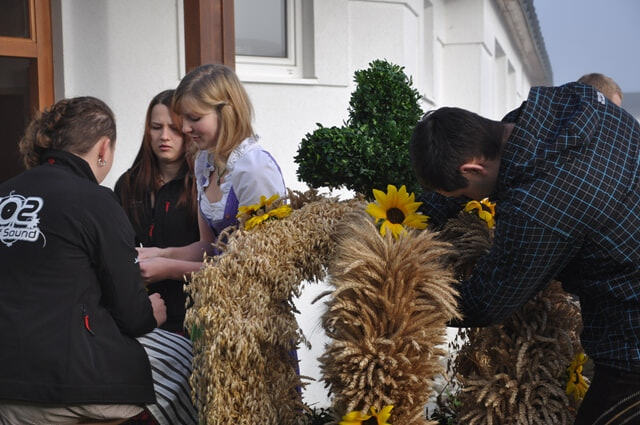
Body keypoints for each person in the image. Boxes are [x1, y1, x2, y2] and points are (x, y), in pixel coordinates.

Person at [409, 82, 640, 424]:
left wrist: (403, 297)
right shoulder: (573, 102)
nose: (468, 201)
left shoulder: (537, 207)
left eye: (464, 194)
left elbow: (487, 301)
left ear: (473, 169)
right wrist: (411, 218)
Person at [0, 96, 166, 424]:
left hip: (10, 389)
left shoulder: (4, 193)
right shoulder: (97, 201)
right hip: (85, 386)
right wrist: (152, 314)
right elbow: (132, 315)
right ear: (103, 148)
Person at [136, 64, 286, 283]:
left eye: (194, 118)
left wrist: (169, 268)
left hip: (254, 301)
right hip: (218, 299)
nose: (185, 128)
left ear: (226, 113)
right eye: (184, 118)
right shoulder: (205, 161)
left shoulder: (254, 169)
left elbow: (258, 266)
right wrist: (160, 254)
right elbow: (209, 246)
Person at [115, 89, 199, 334]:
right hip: (146, 315)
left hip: (198, 314)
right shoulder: (128, 184)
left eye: (174, 128)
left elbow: (214, 252)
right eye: (156, 127)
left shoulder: (203, 182)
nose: (164, 136)